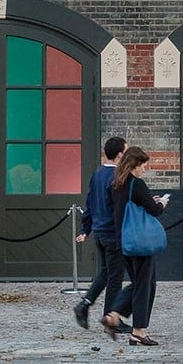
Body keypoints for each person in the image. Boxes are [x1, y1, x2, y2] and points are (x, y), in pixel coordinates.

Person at [103, 147, 169, 345]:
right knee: (144, 285)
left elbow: (122, 208)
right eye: (143, 166)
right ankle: (138, 330)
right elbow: (154, 210)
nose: (144, 170)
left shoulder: (116, 183)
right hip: (140, 242)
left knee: (141, 283)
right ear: (134, 165)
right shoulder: (137, 184)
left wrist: (147, 201)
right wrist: (162, 203)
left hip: (123, 240)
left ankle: (114, 315)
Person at [74, 137, 126, 331]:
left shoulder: (97, 174)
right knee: (115, 278)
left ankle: (84, 304)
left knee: (105, 273)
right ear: (120, 154)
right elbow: (119, 207)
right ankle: (111, 320)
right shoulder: (117, 177)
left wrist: (86, 229)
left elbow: (90, 203)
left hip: (99, 231)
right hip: (112, 233)